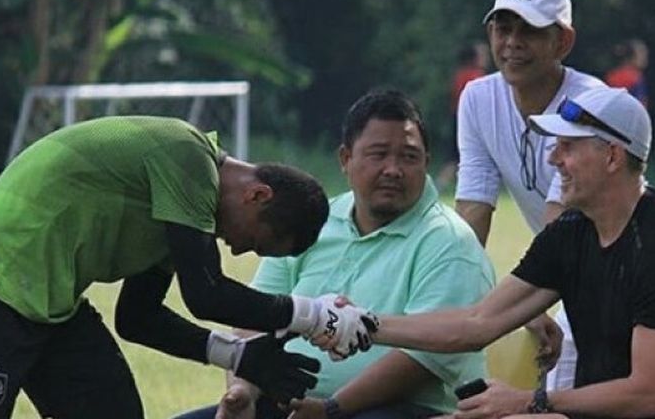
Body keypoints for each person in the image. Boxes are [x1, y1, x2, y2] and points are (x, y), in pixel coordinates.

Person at [0, 116, 378, 419]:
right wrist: (313, 316)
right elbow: (206, 293)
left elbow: (139, 319)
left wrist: (239, 355)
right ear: (257, 195)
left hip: (48, 303)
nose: (236, 248)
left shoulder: (179, 208)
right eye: (253, 242)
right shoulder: (186, 158)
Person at [174, 90, 495, 419]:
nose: (393, 169)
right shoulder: (314, 221)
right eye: (378, 154)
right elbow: (253, 321)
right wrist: (244, 390)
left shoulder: (450, 241)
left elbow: (425, 360)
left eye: (409, 157)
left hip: (399, 411)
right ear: (345, 159)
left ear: (426, 162)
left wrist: (331, 409)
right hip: (288, 404)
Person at [361, 86, 655, 418]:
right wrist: (362, 326)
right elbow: (477, 322)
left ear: (612, 156)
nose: (553, 158)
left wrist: (533, 401)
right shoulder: (572, 230)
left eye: (567, 146)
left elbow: (646, 395)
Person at [454, 0, 609, 390]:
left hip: (621, 275)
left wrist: (520, 308)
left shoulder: (587, 102)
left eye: (530, 31)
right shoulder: (477, 98)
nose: (512, 42)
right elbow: (472, 210)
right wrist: (457, 291)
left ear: (563, 42)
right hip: (573, 272)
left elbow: (562, 224)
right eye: (503, 28)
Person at [436, 41, 490, 190]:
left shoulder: (459, 74)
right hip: (467, 121)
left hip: (456, 118)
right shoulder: (476, 77)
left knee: (454, 159)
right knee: (462, 159)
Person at [605, 38, 649, 108]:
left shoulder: (612, 75)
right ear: (631, 56)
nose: (645, 58)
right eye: (642, 54)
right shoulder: (635, 77)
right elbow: (640, 105)